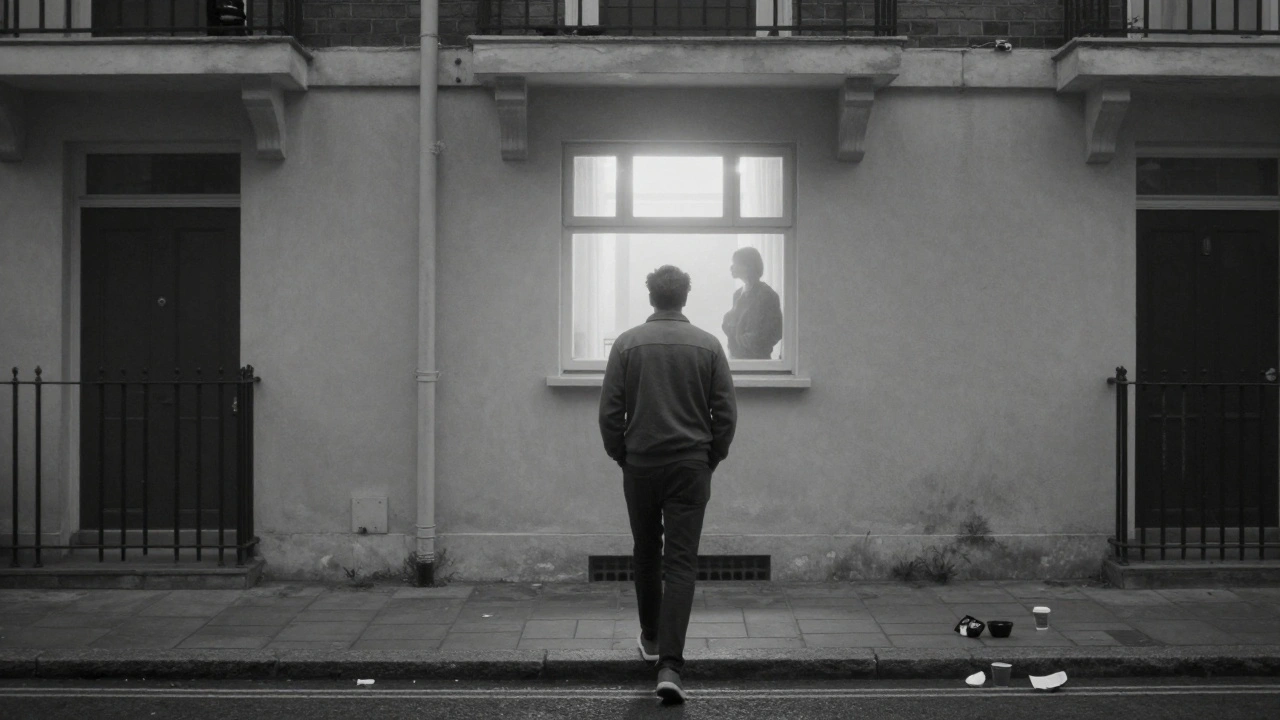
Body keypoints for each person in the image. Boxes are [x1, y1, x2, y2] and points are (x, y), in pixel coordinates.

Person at [598, 265, 737, 704]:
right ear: (685, 298)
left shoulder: (627, 343)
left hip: (640, 464)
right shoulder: (709, 345)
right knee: (680, 562)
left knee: (645, 551)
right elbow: (726, 415)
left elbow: (609, 412)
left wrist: (622, 453)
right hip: (690, 466)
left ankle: (652, 637)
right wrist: (710, 457)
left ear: (651, 296)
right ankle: (671, 667)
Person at [721, 246, 783, 360]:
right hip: (735, 359)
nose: (731, 267)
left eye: (735, 263)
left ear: (747, 266)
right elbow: (729, 327)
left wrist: (741, 339)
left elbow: (775, 331)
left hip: (757, 361)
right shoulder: (737, 294)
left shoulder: (767, 295)